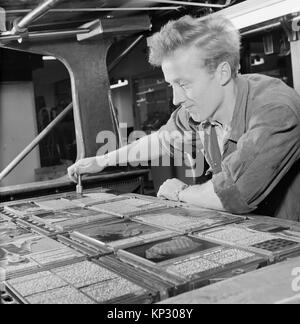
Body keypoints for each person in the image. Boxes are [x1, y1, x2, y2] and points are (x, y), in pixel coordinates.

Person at [68, 15, 300, 221]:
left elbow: (232, 194)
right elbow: (161, 141)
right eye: (171, 85)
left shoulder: (274, 110)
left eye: (184, 84)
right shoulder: (201, 112)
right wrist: (101, 161)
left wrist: (179, 192)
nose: (176, 99)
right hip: (248, 230)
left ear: (222, 73)